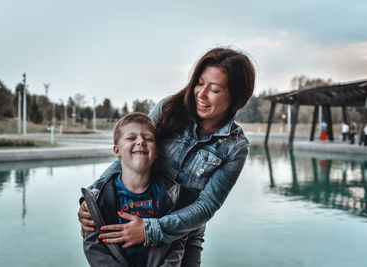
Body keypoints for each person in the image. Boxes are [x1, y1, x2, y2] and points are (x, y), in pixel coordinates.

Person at [78, 47, 255, 266]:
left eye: (215, 89)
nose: (201, 93)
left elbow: (207, 205)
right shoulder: (167, 109)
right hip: (131, 212)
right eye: (199, 83)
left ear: (236, 98)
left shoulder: (235, 147)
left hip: (182, 235)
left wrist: (150, 229)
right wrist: (92, 200)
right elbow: (129, 157)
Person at [82, 113, 186, 267]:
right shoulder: (99, 197)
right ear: (117, 151)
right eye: (131, 138)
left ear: (156, 152)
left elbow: (176, 241)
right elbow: (93, 246)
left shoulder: (170, 194)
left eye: (148, 138)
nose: (140, 142)